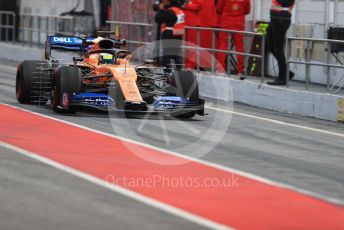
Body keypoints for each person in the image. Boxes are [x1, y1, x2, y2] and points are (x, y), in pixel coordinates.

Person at [216, 0, 251, 78]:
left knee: (223, 45)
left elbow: (218, 9)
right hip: (239, 23)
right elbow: (247, 11)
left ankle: (220, 70)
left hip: (226, 22)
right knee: (240, 47)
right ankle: (240, 71)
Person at [267, 0, 295, 86]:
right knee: (270, 46)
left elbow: (286, 2)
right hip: (275, 19)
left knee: (278, 49)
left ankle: (282, 78)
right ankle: (286, 72)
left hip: (281, 19)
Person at [155, 0, 185, 70]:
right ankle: (178, 73)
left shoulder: (170, 11)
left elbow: (158, 19)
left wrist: (161, 9)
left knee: (167, 57)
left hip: (169, 35)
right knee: (176, 56)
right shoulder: (180, 11)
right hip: (179, 35)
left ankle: (167, 74)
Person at [182, 0, 203, 69]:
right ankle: (183, 64)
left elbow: (199, 6)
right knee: (183, 44)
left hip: (192, 24)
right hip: (182, 23)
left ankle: (190, 65)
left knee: (191, 45)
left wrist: (185, 5)